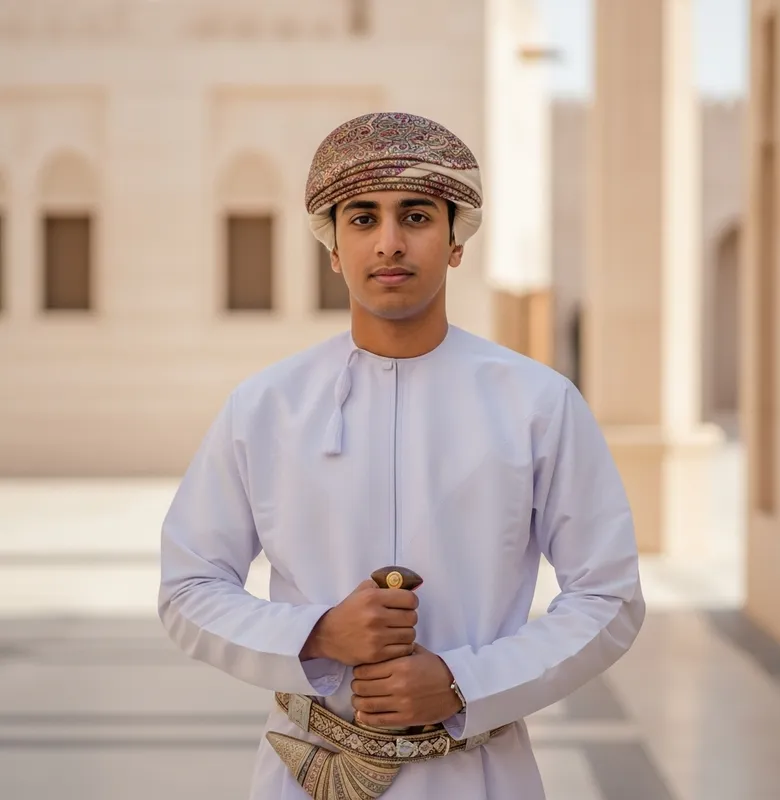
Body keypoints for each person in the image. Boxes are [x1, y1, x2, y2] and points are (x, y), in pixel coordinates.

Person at [158, 111, 646, 800]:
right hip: (307, 772)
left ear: (455, 242)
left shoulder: (536, 404)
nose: (389, 242)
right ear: (333, 247)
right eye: (363, 219)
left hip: (477, 775)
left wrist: (463, 683)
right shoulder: (268, 406)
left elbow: (608, 597)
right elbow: (188, 588)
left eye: (415, 216)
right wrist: (316, 634)